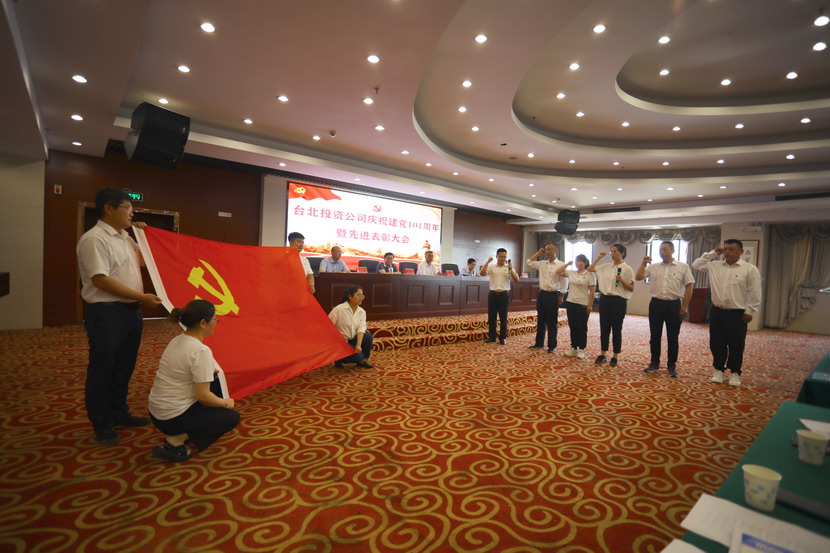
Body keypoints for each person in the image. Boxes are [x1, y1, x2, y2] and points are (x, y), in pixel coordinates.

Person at [76, 187, 162, 445]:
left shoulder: (125, 237)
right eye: (128, 208)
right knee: (103, 369)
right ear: (108, 208)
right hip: (106, 313)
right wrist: (141, 297)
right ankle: (102, 423)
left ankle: (119, 413)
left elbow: (146, 261)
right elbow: (100, 280)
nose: (132, 213)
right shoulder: (94, 239)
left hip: (130, 312)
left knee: (124, 366)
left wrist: (144, 237)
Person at [148, 299, 240, 463]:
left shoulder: (178, 339)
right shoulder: (200, 350)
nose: (216, 323)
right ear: (203, 323)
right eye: (215, 319)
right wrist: (226, 403)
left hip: (157, 412)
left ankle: (187, 430)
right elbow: (203, 396)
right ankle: (177, 440)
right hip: (172, 418)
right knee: (231, 417)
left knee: (217, 381)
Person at [692, 239, 762, 387]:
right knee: (717, 342)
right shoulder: (714, 266)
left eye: (731, 249)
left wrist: (750, 310)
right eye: (725, 249)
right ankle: (719, 370)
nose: (727, 252)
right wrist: (713, 253)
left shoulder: (750, 269)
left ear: (741, 252)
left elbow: (755, 292)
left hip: (737, 313)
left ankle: (735, 373)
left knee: (736, 344)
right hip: (717, 311)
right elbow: (696, 264)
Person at [635, 241, 695, 378]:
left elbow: (689, 286)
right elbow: (638, 277)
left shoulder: (683, 267)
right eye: (660, 249)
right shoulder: (654, 267)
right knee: (654, 336)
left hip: (674, 305)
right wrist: (643, 263)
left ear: (672, 251)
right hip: (656, 304)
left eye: (665, 249)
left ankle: (671, 366)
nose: (662, 252)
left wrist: (684, 306)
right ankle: (654, 363)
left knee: (673, 337)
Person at [588, 244, 634, 367]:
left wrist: (622, 280)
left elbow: (631, 288)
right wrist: (599, 257)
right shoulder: (606, 266)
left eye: (615, 252)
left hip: (618, 301)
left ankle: (615, 355)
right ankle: (603, 353)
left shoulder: (627, 269)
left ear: (622, 253)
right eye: (611, 252)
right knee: (604, 328)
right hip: (605, 300)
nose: (612, 254)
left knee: (616, 329)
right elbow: (590, 269)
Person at [526, 244, 566, 352]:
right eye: (546, 250)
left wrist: (561, 296)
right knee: (541, 320)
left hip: (553, 294)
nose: (547, 251)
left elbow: (564, 281)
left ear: (555, 251)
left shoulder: (561, 264)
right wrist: (539, 252)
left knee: (552, 321)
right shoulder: (542, 263)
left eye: (550, 249)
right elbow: (529, 261)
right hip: (542, 294)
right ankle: (539, 343)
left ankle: (552, 346)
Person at [556, 254, 596, 359]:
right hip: (571, 302)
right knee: (572, 326)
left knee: (581, 326)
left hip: (583, 303)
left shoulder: (590, 274)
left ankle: (581, 348)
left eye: (581, 261)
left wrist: (590, 305)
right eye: (577, 261)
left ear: (585, 262)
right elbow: (558, 271)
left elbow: (592, 291)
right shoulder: (571, 273)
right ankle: (574, 347)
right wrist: (567, 264)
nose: (578, 263)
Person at [328, 286, 375, 368]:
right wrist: (340, 338)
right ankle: (338, 359)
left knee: (368, 337)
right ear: (350, 296)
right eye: (359, 295)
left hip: (352, 339)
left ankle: (362, 361)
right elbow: (328, 327)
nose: (361, 298)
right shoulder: (338, 309)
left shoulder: (362, 311)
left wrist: (358, 345)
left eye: (362, 296)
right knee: (358, 357)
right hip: (341, 342)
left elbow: (361, 329)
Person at [480, 248, 519, 344]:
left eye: (504, 257)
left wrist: (511, 269)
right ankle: (492, 337)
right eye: (501, 256)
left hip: (504, 295)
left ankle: (502, 338)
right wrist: (488, 261)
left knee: (503, 318)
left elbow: (516, 279)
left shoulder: (509, 268)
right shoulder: (492, 267)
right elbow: (482, 273)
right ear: (497, 256)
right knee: (492, 318)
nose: (503, 258)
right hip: (493, 295)